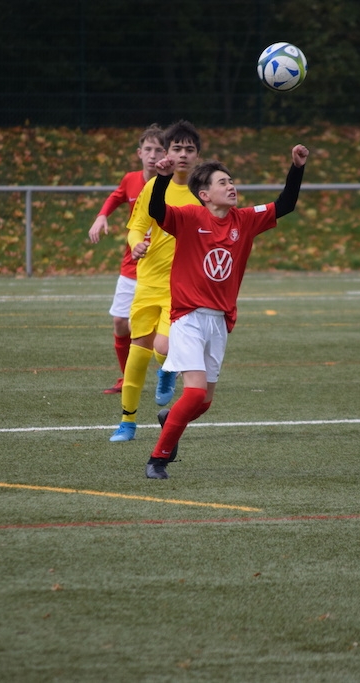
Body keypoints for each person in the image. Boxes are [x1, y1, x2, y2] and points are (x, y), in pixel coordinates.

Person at [142, 143, 309, 478]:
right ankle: (157, 459)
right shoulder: (190, 218)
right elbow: (158, 211)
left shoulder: (244, 220)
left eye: (231, 181)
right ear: (204, 195)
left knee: (202, 403)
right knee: (194, 392)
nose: (231, 186)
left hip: (219, 321)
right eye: (222, 183)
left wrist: (297, 167)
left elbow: (286, 204)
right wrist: (162, 179)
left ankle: (169, 418)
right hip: (187, 318)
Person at [108, 120, 203, 443]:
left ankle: (168, 369)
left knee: (162, 348)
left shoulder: (203, 191)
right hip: (147, 281)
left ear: (197, 156)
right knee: (137, 353)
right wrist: (136, 243)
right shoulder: (154, 187)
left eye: (190, 150)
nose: (183, 155)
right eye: (177, 148)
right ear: (168, 152)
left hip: (182, 286)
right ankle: (127, 422)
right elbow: (136, 226)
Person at [88, 125, 166, 394]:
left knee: (152, 329)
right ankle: (126, 378)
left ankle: (169, 367)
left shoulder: (175, 183)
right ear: (139, 153)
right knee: (121, 323)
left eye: (159, 150)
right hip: (131, 263)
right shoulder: (131, 179)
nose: (153, 155)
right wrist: (101, 216)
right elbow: (116, 196)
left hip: (163, 266)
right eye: (148, 149)